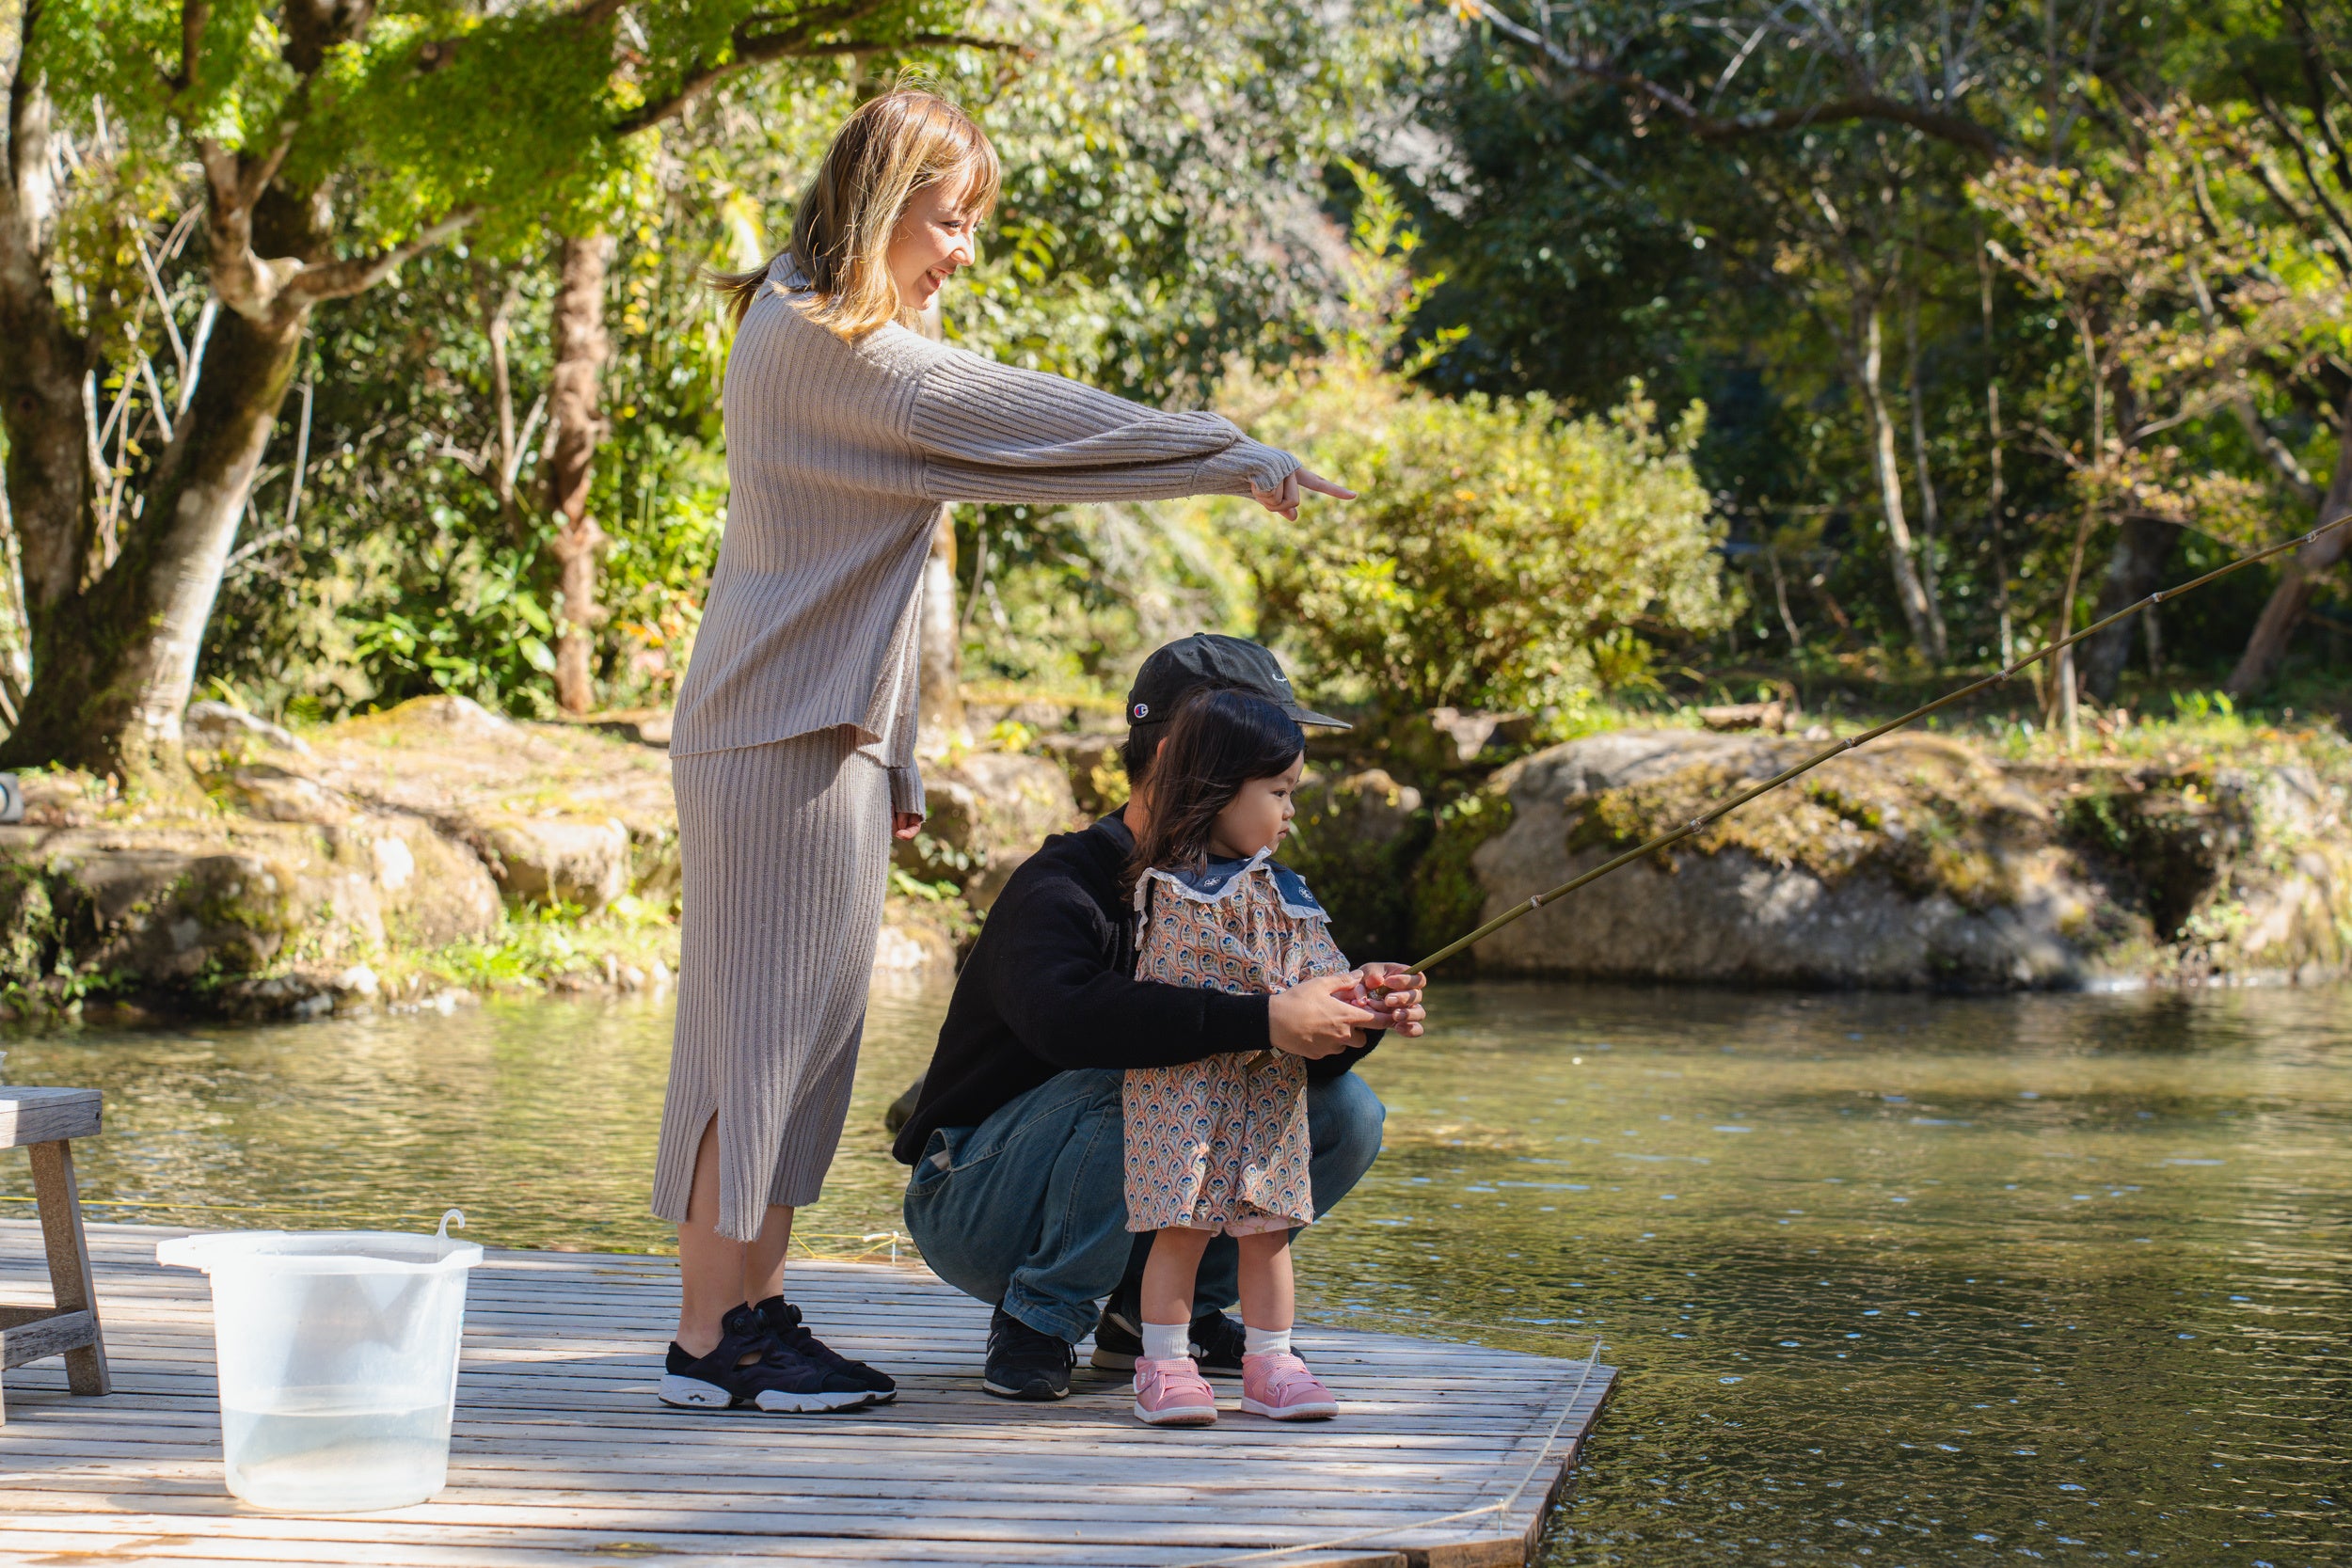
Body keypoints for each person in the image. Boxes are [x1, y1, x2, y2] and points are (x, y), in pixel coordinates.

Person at [649, 89, 1354, 1417]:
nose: (961, 247)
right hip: (775, 728)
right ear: (879, 199)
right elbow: (1038, 423)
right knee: (745, 1045)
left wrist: (898, 757)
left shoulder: (831, 322)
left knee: (804, 1046)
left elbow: (863, 573)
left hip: (824, 729)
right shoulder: (834, 348)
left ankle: (751, 1307)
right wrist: (1224, 453)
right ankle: (711, 1334)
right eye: (949, 216)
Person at [892, 635, 1426, 1402]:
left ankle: (1156, 1320)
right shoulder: (1064, 883)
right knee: (1147, 1075)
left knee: (1347, 1111)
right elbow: (1070, 1022)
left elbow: (1286, 1048)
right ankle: (1038, 1314)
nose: (1289, 804)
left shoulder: (1266, 890)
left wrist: (1352, 1012)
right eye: (1273, 775)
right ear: (1186, 758)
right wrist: (1266, 1017)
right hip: (977, 1200)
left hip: (1132, 1177)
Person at [1120, 689, 1349, 1427]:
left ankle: (1272, 1359)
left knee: (1269, 1225)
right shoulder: (1171, 889)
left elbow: (1321, 963)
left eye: (1292, 793)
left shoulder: (1289, 890)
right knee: (1180, 1225)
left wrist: (1363, 990)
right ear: (1219, 788)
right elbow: (1203, 974)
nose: (1289, 812)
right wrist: (1283, 1003)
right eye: (1278, 792)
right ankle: (1164, 1361)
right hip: (1185, 1091)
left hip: (1267, 1091)